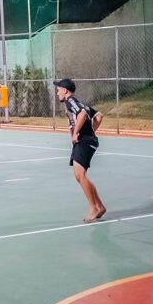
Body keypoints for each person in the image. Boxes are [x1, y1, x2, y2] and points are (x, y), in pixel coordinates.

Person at [54, 78, 107, 223]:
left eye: (58, 90)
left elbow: (83, 114)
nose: (57, 93)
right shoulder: (78, 102)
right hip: (87, 140)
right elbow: (99, 116)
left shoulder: (70, 101)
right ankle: (99, 206)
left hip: (83, 141)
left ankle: (93, 208)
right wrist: (91, 132)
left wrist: (77, 132)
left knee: (80, 175)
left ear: (65, 90)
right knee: (80, 176)